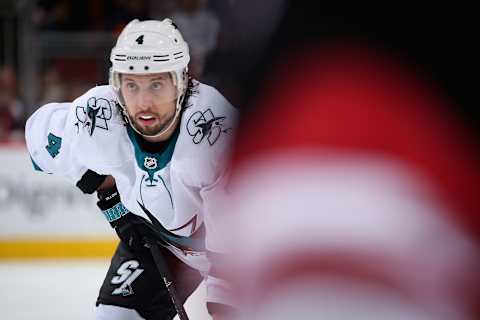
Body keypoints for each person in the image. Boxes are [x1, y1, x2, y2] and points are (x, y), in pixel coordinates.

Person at [25, 18, 237, 319]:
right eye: (132, 85)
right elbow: (38, 140)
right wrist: (102, 187)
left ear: (183, 80)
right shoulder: (98, 117)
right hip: (160, 244)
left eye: (157, 84)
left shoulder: (214, 132)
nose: (144, 102)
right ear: (116, 84)